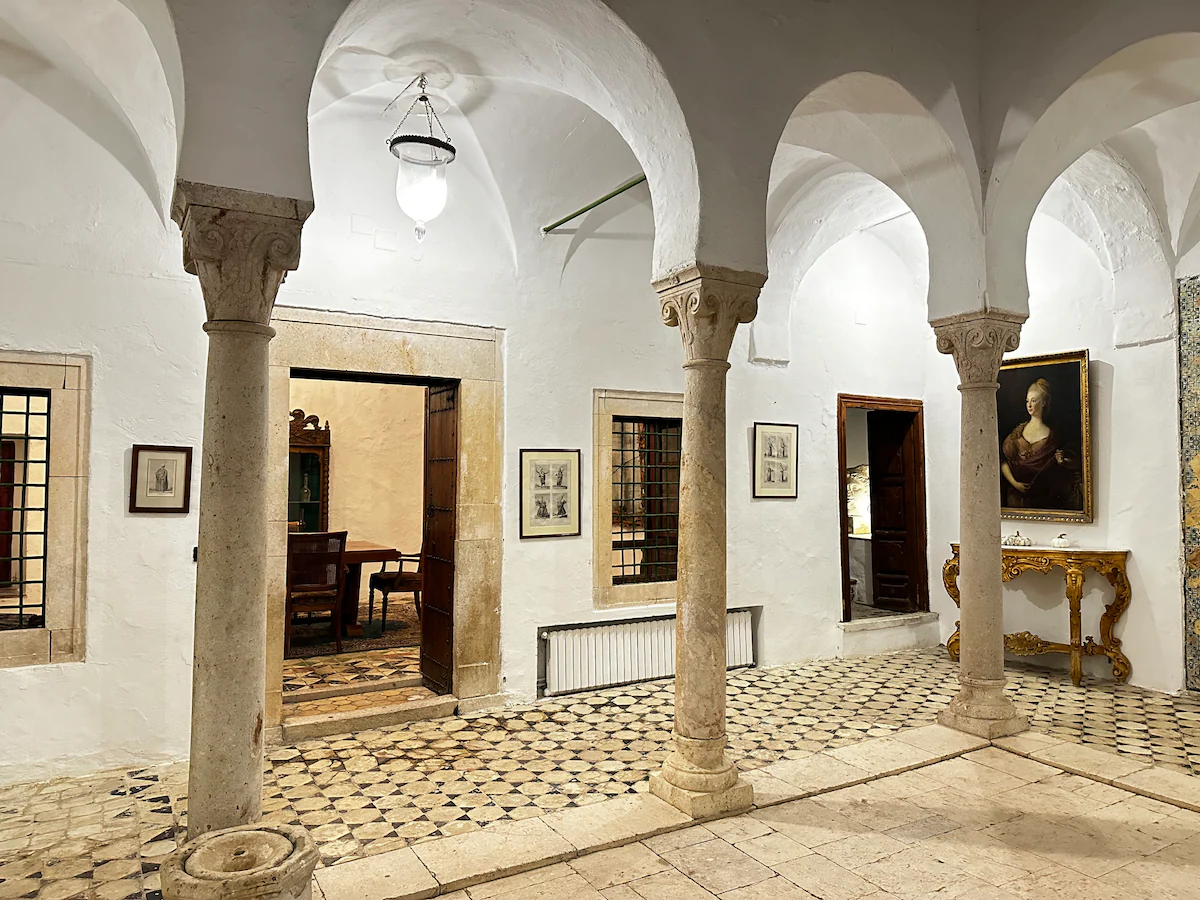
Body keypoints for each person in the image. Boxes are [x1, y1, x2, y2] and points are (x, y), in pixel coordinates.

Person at [1000, 378, 1080, 509]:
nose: (1029, 405)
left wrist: (1062, 461)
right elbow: (1004, 462)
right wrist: (1015, 483)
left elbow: (1072, 466)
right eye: (1027, 401)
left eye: (1034, 400)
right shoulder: (1017, 432)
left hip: (1043, 502)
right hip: (1014, 500)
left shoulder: (1053, 438)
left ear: (1043, 402)